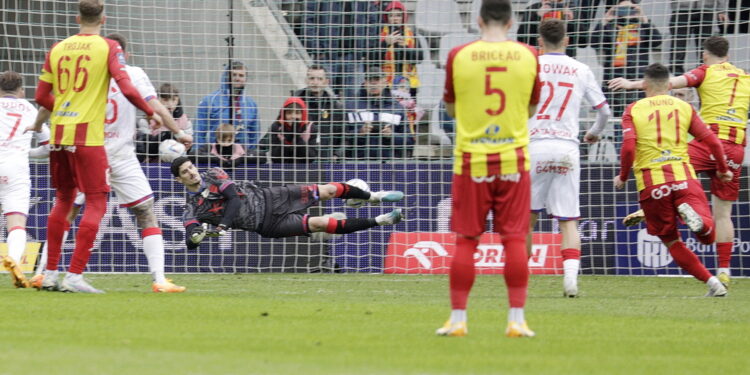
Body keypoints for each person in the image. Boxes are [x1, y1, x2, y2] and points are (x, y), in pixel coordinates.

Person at [30, 33, 192, 293]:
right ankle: (159, 279)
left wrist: (38, 126)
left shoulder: (86, 73)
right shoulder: (135, 74)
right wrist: (180, 133)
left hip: (86, 147)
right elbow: (157, 107)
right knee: (145, 212)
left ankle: (43, 273)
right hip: (119, 154)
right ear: (124, 55)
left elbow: (52, 102)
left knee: (68, 209)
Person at [609, 35, 750, 287]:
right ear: (728, 54)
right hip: (736, 148)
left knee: (672, 167)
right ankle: (725, 270)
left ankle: (654, 207)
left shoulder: (705, 71)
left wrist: (631, 84)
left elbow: (669, 83)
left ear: (705, 54)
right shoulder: (745, 78)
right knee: (723, 214)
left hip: (708, 141)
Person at [437, 0, 541, 338]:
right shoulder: (528, 55)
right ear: (512, 22)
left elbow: (450, 108)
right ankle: (517, 319)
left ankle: (458, 320)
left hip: (471, 160)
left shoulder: (459, 55)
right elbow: (531, 107)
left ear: (478, 20)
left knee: (467, 239)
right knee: (513, 237)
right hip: (514, 159)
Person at [527, 19, 612, 298]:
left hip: (534, 145)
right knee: (568, 220)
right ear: (567, 40)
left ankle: (520, 279)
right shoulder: (581, 69)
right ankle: (570, 281)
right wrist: (594, 134)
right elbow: (604, 112)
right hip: (566, 148)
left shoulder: (530, 66)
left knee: (526, 219)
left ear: (539, 41)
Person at [170, 157, 404, 248]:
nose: (191, 172)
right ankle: (381, 220)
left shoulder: (213, 174)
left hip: (274, 196)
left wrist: (222, 226)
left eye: (191, 167)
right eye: (185, 171)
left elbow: (233, 200)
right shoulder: (192, 208)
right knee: (321, 223)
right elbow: (190, 237)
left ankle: (374, 196)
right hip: (267, 225)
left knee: (329, 190)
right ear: (179, 179)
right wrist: (196, 236)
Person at [589, 0, 662, 118]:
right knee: (618, 117)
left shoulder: (642, 26)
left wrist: (643, 18)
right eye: (622, 9)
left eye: (630, 8)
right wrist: (605, 20)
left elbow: (657, 41)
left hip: (637, 77)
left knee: (638, 115)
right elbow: (594, 43)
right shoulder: (610, 26)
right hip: (614, 77)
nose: (626, 12)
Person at [0, 71, 37, 288]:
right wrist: (24, 150)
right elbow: (47, 144)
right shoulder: (31, 110)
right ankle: (14, 259)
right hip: (16, 167)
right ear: (21, 90)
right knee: (16, 222)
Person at [301, 0, 381, 101]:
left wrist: (364, 48)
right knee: (323, 96)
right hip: (326, 56)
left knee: (354, 99)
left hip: (354, 56)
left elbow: (373, 22)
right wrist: (317, 48)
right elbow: (308, 20)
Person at [348, 66, 414, 159]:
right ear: (365, 83)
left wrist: (391, 135)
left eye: (377, 79)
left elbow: (409, 141)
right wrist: (360, 133)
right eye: (370, 80)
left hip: (389, 165)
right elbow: (341, 137)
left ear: (385, 82)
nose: (373, 83)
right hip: (357, 164)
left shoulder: (398, 108)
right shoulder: (351, 106)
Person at [195, 60, 259, 148]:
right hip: (215, 154)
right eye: (233, 75)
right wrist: (199, 153)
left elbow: (254, 134)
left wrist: (251, 154)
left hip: (242, 156)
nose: (237, 78)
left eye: (241, 75)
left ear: (246, 79)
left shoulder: (251, 104)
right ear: (226, 77)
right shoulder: (209, 101)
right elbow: (199, 131)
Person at [292, 66, 345, 159]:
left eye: (320, 79)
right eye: (312, 78)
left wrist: (337, 155)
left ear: (326, 82)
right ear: (306, 80)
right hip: (299, 159)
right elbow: (279, 126)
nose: (315, 82)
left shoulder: (335, 106)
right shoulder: (294, 102)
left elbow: (345, 134)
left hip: (326, 160)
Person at [137, 83, 193, 162]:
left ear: (178, 100)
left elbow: (188, 147)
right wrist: (166, 135)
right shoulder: (146, 121)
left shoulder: (185, 120)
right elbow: (145, 148)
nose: (170, 104)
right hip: (152, 162)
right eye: (165, 100)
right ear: (157, 100)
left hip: (179, 162)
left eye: (174, 100)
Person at [376, 1, 423, 96]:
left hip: (408, 84)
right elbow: (373, 59)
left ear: (403, 17)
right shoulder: (380, 34)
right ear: (387, 18)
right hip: (386, 84)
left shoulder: (412, 34)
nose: (395, 19)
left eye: (398, 15)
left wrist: (405, 48)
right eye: (391, 16)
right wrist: (386, 43)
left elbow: (419, 59)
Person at [669, 1, 728, 75]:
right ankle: (677, 74)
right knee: (679, 42)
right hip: (681, 8)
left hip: (706, 8)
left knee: (705, 44)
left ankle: (703, 73)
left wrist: (722, 10)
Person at [260, 97, 319, 164]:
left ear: (303, 114)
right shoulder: (277, 126)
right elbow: (275, 158)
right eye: (289, 113)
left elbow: (311, 157)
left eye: (297, 113)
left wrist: (297, 138)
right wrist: (288, 139)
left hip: (304, 169)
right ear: (284, 114)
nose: (293, 116)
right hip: (281, 168)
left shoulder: (311, 128)